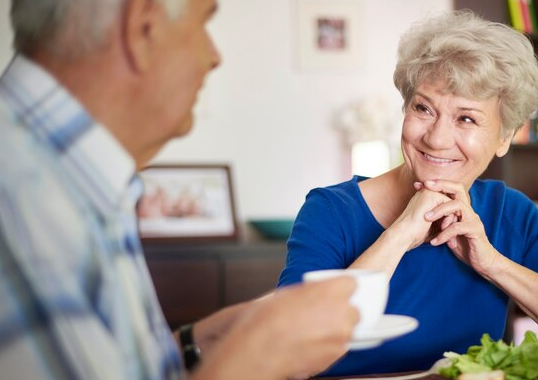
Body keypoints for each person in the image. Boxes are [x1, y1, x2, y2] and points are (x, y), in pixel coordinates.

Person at [0, 0, 359, 379]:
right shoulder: (20, 202)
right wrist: (252, 361)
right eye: (205, 21)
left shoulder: (66, 179)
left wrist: (195, 343)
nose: (215, 56)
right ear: (144, 26)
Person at [278, 10, 538, 376]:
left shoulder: (509, 212)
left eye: (466, 118)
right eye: (423, 108)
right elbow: (289, 347)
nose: (436, 138)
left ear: (505, 137)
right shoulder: (331, 210)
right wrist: (401, 233)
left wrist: (493, 264)